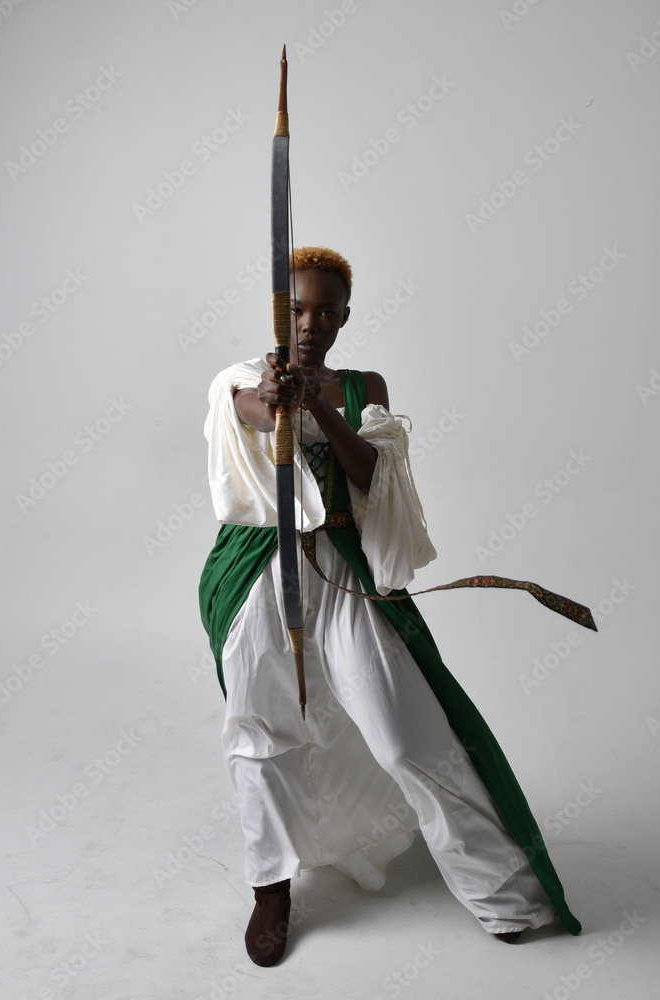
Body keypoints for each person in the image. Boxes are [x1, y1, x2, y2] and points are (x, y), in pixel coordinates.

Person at [198, 246, 582, 967]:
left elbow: (374, 474)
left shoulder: (359, 386)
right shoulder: (244, 379)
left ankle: (499, 891)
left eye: (325, 311)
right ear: (280, 312)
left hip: (345, 574)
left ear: (344, 317)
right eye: (297, 309)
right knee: (263, 732)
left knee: (409, 735)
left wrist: (316, 403)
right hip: (258, 573)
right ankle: (271, 889)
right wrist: (278, 397)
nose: (310, 323)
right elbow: (246, 414)